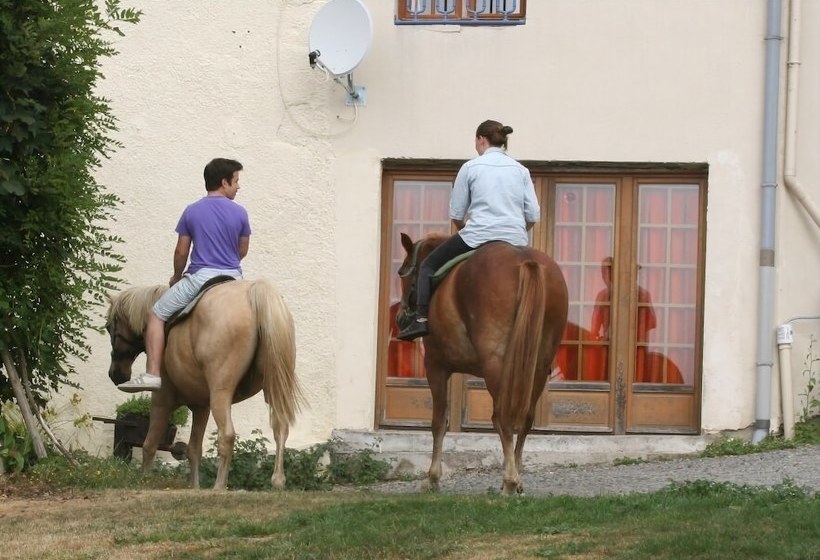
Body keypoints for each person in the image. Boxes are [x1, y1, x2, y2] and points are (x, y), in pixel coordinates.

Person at [397, 120, 540, 341]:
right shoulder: (521, 170)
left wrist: (465, 230)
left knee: (427, 266)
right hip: (516, 239)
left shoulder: (471, 168)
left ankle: (421, 320)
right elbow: (533, 215)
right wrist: (516, 230)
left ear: (481, 139)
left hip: (477, 236)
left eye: (476, 141)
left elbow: (456, 213)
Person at [117, 158, 251, 392]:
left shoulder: (192, 211)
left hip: (200, 278)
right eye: (236, 181)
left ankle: (152, 374)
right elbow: (243, 250)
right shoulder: (240, 213)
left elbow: (181, 251)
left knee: (156, 314)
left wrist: (177, 276)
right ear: (224, 182)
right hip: (234, 279)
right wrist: (227, 263)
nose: (238, 186)